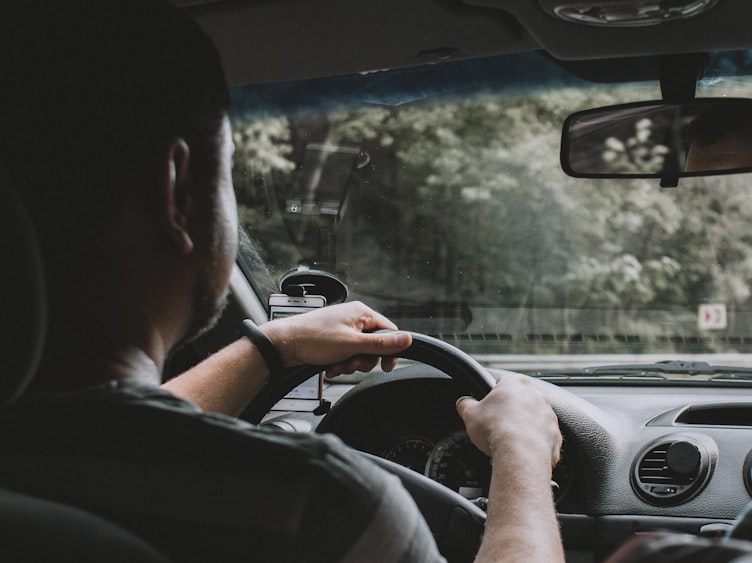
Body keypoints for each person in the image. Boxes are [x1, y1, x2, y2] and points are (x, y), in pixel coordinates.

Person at [0, 2, 562, 562]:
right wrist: (522, 452)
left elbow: (108, 440)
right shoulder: (315, 505)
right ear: (175, 192)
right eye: (228, 174)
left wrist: (276, 347)